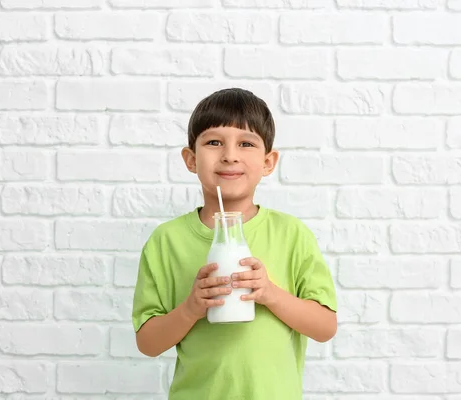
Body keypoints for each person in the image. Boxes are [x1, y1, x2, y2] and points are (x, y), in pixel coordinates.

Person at [132, 88, 337, 400]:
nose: (229, 154)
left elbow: (325, 327)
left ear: (269, 162)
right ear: (191, 159)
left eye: (246, 143)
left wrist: (270, 294)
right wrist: (191, 308)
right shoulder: (167, 241)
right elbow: (148, 343)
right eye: (214, 142)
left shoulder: (291, 234)